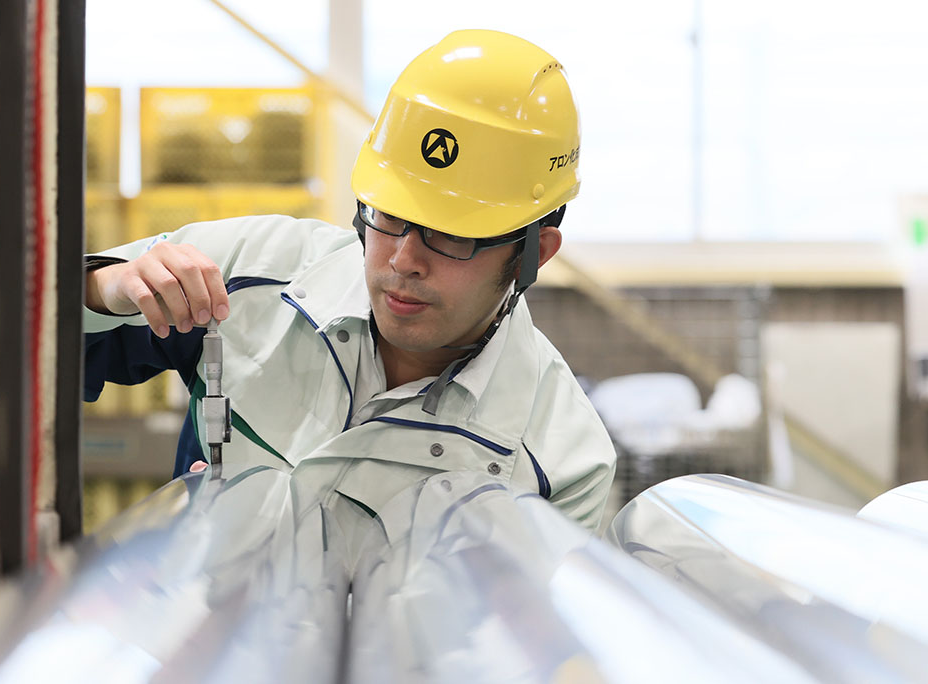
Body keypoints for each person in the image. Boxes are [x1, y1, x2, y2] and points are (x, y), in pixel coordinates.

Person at [82, 30, 616, 547]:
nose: (404, 260)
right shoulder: (249, 271)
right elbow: (25, 339)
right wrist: (100, 289)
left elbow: (517, 636)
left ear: (534, 253)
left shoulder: (561, 458)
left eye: (451, 236)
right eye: (388, 216)